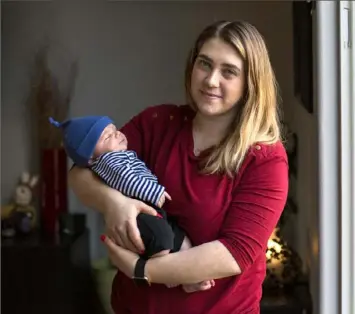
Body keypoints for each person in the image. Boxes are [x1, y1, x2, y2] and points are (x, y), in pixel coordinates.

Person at [68, 20, 289, 313]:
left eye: (229, 72)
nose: (211, 80)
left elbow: (234, 254)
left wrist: (142, 270)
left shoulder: (265, 159)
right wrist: (113, 203)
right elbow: (82, 171)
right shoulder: (158, 123)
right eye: (204, 64)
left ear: (251, 82)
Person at [49, 115, 212, 291]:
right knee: (161, 239)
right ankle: (168, 275)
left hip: (151, 210)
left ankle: (186, 280)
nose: (118, 134)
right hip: (138, 214)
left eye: (114, 129)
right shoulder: (109, 161)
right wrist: (154, 192)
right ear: (90, 158)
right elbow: (127, 180)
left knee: (180, 239)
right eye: (107, 136)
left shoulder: (117, 156)